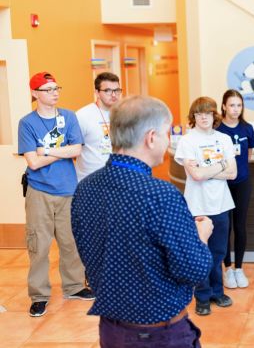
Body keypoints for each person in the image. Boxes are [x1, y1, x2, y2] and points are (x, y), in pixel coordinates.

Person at [71, 95, 213, 347]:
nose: (168, 140)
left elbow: (93, 253)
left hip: (111, 331)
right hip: (160, 336)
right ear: (150, 137)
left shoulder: (85, 188)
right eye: (166, 133)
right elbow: (194, 270)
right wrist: (201, 236)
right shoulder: (161, 195)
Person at [17, 71, 94, 318]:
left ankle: (74, 287)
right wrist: (60, 150)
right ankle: (39, 296)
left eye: (56, 88)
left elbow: (77, 149)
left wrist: (45, 149)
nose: (55, 93)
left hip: (68, 190)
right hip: (39, 191)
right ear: (35, 93)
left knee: (70, 242)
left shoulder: (69, 117)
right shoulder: (27, 123)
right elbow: (34, 163)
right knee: (38, 245)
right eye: (48, 89)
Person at [174, 96, 237, 316]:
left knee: (218, 252)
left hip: (221, 204)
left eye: (208, 113)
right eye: (200, 113)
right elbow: (196, 175)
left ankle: (217, 292)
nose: (204, 117)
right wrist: (221, 164)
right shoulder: (187, 141)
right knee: (200, 252)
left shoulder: (224, 139)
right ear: (194, 117)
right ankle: (202, 296)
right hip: (197, 206)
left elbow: (233, 172)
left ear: (214, 115)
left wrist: (207, 169)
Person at [218, 90, 254, 289]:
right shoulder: (216, 129)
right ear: (223, 106)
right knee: (225, 227)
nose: (235, 109)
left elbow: (248, 155)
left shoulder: (247, 128)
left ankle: (239, 268)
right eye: (231, 105)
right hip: (221, 184)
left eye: (239, 105)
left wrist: (238, 171)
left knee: (240, 226)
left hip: (242, 183)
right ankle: (228, 269)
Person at [75, 72, 122, 181]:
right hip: (89, 181)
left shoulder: (124, 113)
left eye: (117, 90)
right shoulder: (82, 116)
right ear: (97, 92)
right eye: (108, 91)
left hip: (116, 178)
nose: (114, 95)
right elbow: (72, 148)